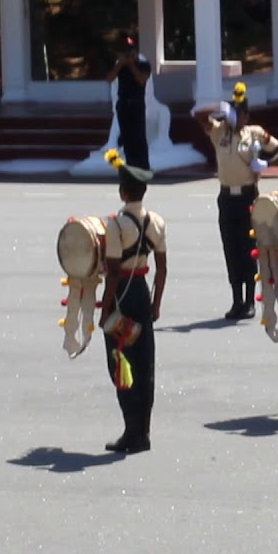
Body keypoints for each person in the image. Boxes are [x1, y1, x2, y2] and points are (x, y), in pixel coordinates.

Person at [199, 82, 278, 320]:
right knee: (230, 248)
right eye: (233, 112)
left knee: (248, 249)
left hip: (248, 196)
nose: (236, 117)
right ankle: (236, 299)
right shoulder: (219, 131)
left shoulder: (255, 133)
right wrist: (218, 107)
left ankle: (249, 300)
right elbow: (198, 116)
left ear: (247, 116)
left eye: (240, 113)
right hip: (227, 197)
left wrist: (265, 165)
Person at [98, 152, 168, 453]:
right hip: (142, 291)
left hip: (122, 294)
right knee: (145, 361)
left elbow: (113, 271)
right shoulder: (157, 222)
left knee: (121, 360)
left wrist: (105, 307)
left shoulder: (115, 225)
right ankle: (144, 430)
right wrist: (156, 304)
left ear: (122, 191)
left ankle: (131, 431)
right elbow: (162, 268)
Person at [106, 32, 152, 169]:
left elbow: (142, 80)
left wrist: (132, 65)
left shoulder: (143, 65)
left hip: (136, 105)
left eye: (130, 52)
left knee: (139, 137)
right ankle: (131, 165)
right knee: (127, 138)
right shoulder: (121, 67)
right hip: (123, 105)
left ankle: (143, 166)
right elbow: (109, 78)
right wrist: (121, 64)